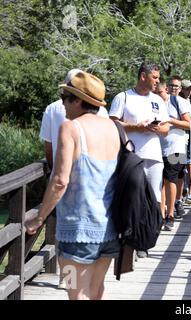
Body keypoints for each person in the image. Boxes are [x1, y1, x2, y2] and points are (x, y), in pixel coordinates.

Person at [25, 71, 120, 300]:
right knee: (96, 292)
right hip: (109, 230)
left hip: (75, 233)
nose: (62, 103)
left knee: (75, 293)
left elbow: (59, 180)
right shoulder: (112, 128)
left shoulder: (70, 128)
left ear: (78, 100)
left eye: (65, 97)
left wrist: (39, 218)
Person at [109, 61, 170, 258]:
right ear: (143, 76)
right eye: (154, 77)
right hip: (131, 157)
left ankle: (144, 241)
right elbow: (112, 125)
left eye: (158, 78)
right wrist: (137, 128)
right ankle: (129, 242)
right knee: (132, 199)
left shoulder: (158, 101)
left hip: (154, 156)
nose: (157, 81)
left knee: (153, 200)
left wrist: (153, 127)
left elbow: (166, 129)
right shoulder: (123, 97)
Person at [40, 69, 109, 171]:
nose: (63, 104)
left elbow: (48, 149)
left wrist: (54, 171)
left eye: (64, 97)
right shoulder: (103, 113)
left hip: (63, 176)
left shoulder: (52, 109)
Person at [155, 77, 191, 231]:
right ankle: (161, 215)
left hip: (176, 147)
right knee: (160, 182)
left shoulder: (178, 102)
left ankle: (170, 214)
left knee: (171, 180)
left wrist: (169, 120)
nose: (156, 94)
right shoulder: (153, 103)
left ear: (166, 90)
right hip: (157, 147)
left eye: (159, 92)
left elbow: (190, 124)